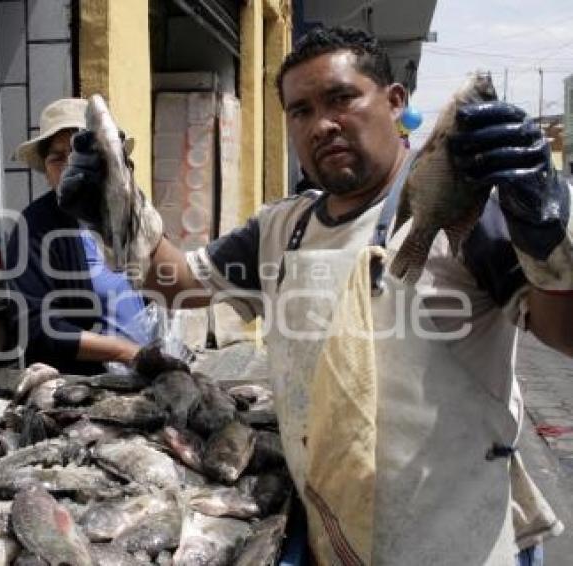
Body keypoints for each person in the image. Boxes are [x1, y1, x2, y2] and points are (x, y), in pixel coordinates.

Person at [57, 27, 572, 565]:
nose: (322, 124)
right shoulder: (281, 228)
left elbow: (564, 334)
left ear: (395, 102)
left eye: (342, 98)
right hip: (336, 533)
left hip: (457, 538)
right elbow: (178, 284)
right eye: (300, 110)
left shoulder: (466, 212)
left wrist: (546, 235)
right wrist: (115, 216)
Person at [4, 98, 152, 375]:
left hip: (146, 371)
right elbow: (35, 326)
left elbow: (156, 281)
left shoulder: (129, 209)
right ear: (46, 171)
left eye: (80, 154)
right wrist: (125, 352)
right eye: (57, 158)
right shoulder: (35, 227)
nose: (69, 166)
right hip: (92, 389)